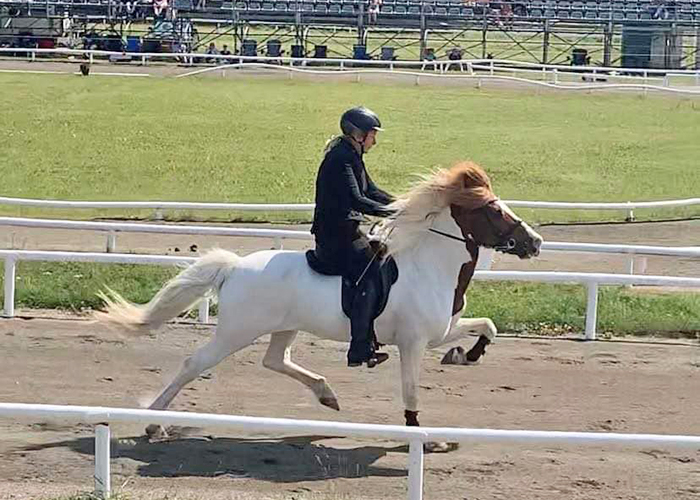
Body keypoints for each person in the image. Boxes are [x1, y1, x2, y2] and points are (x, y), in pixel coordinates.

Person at [310, 106, 396, 368]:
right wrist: (390, 212)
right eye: (373, 134)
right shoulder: (340, 158)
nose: (375, 140)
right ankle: (359, 346)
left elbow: (370, 189)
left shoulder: (352, 155)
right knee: (370, 269)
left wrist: (402, 204)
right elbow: (357, 199)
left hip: (346, 230)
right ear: (359, 135)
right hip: (334, 236)